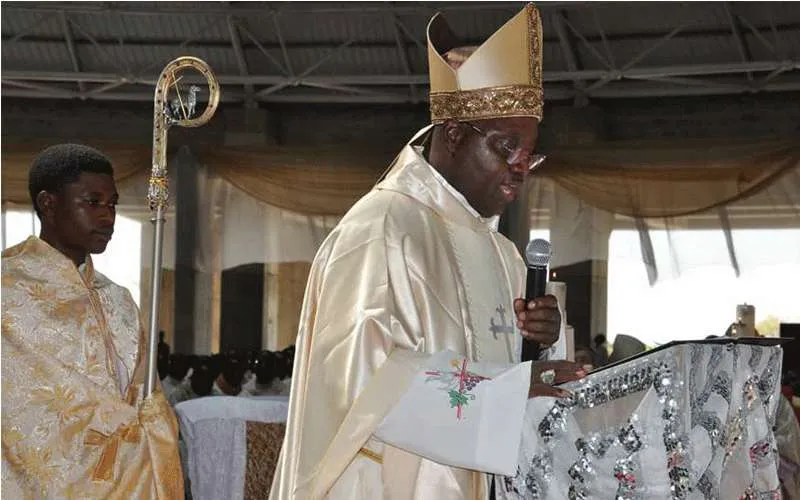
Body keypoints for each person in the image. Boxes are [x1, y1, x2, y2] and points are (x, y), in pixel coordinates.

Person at [270, 5, 585, 499]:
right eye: (507, 148)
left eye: (530, 154)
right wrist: (502, 394)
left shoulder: (503, 253)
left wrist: (541, 350)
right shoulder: (380, 230)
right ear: (455, 134)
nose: (522, 169)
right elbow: (361, 385)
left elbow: (508, 377)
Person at [1, 144, 183, 498]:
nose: (107, 217)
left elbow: (148, 398)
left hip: (127, 478)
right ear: (48, 204)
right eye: (92, 202)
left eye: (112, 203)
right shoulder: (9, 291)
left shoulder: (119, 300)